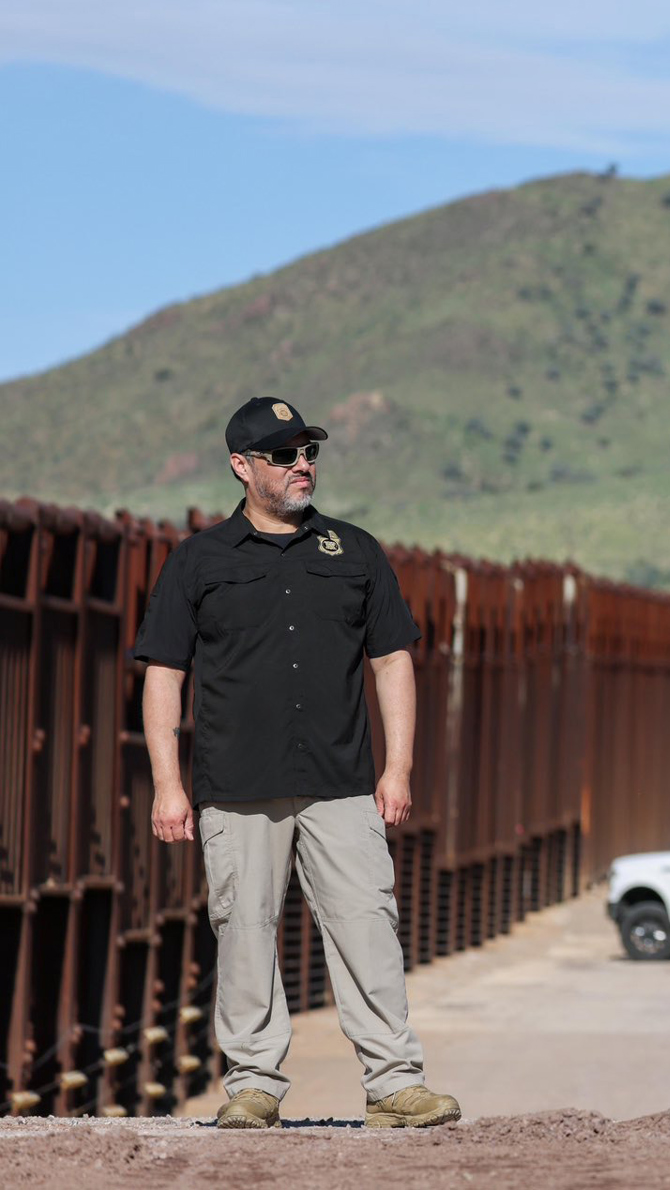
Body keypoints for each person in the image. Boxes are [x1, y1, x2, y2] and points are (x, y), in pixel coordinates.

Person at [135, 396, 460, 1131]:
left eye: (309, 451)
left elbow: (393, 660)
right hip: (236, 786)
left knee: (368, 924)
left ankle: (395, 1084)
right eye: (283, 455)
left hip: (340, 782)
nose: (302, 465)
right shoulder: (198, 560)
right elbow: (164, 672)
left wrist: (399, 767)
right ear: (241, 466)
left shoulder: (357, 552)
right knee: (245, 931)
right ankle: (253, 1085)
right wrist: (167, 784)